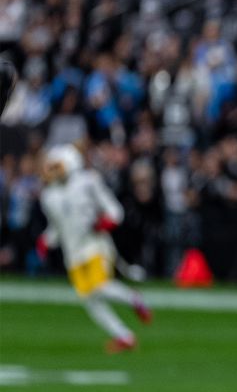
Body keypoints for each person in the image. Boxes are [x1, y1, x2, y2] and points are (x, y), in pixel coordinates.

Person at [36, 145, 153, 353]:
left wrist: (103, 223)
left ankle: (133, 298)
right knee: (88, 298)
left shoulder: (88, 181)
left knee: (98, 286)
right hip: (72, 251)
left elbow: (115, 211)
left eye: (57, 166)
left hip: (94, 244)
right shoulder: (49, 196)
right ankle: (124, 336)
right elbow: (57, 227)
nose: (52, 171)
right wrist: (46, 241)